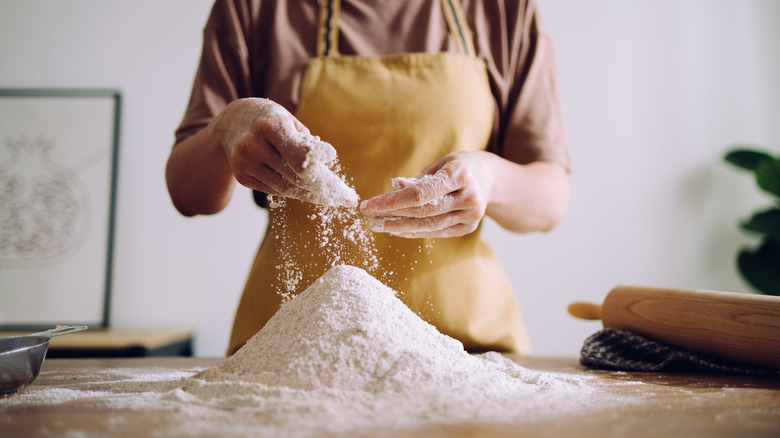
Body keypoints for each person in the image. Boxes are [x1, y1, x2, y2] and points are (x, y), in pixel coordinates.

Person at [166, 0, 571, 355]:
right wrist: (227, 127)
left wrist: (489, 179)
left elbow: (551, 198)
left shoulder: (500, 8)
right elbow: (187, 194)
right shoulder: (254, 7)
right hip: (292, 349)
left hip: (465, 349)